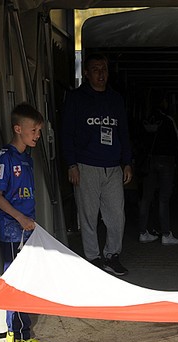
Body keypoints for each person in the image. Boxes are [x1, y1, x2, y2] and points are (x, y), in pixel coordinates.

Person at [62, 52, 133, 276]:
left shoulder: (115, 99)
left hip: (112, 167)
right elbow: (66, 133)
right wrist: (71, 164)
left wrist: (127, 162)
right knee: (88, 215)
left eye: (104, 69)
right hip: (86, 165)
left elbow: (123, 132)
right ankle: (92, 258)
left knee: (116, 215)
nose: (101, 73)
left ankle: (112, 255)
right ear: (86, 73)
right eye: (95, 69)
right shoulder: (76, 98)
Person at [0, 102, 48, 342]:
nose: (37, 135)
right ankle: (22, 338)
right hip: (14, 231)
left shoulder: (27, 156)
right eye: (33, 130)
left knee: (24, 280)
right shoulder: (6, 157)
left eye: (39, 130)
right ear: (18, 129)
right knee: (19, 282)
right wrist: (16, 216)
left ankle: (14, 331)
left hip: (25, 227)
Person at [139, 95, 178, 245]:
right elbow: (176, 143)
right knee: (163, 198)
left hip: (150, 161)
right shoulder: (168, 120)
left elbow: (140, 141)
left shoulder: (145, 120)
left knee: (146, 198)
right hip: (166, 161)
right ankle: (166, 234)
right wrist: (177, 161)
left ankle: (143, 232)